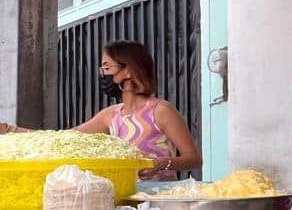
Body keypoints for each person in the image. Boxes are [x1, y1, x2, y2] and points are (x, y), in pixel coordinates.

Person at [0, 40, 201, 180]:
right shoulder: (111, 115)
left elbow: (193, 159)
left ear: (128, 70)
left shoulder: (160, 110)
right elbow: (64, 137)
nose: (102, 73)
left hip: (161, 199)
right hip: (125, 198)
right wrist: (10, 130)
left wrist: (160, 164)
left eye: (106, 67)